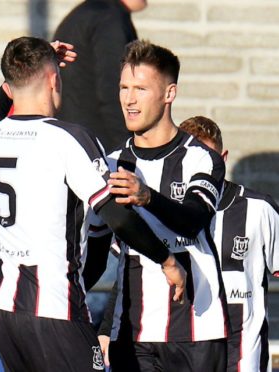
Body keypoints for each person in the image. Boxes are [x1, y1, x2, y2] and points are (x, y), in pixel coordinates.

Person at [0, 36, 185, 372]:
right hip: (54, 306)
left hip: (1, 308)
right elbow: (116, 216)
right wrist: (167, 259)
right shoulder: (68, 138)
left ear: (10, 86)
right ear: (54, 80)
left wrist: (17, 77)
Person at [104, 40, 228, 371]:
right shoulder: (111, 163)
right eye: (124, 87)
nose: (129, 99)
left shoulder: (201, 158)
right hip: (131, 331)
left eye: (141, 88)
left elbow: (193, 219)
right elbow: (96, 243)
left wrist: (147, 197)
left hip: (197, 328)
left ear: (169, 94)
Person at [180, 116, 279, 372]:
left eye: (209, 161)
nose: (201, 171)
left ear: (222, 159)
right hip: (184, 351)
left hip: (244, 359)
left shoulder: (260, 209)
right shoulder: (165, 210)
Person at [53, 0, 147, 153]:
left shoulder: (91, 12)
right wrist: (127, 149)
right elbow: (114, 88)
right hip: (100, 144)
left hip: (77, 139)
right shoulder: (109, 18)